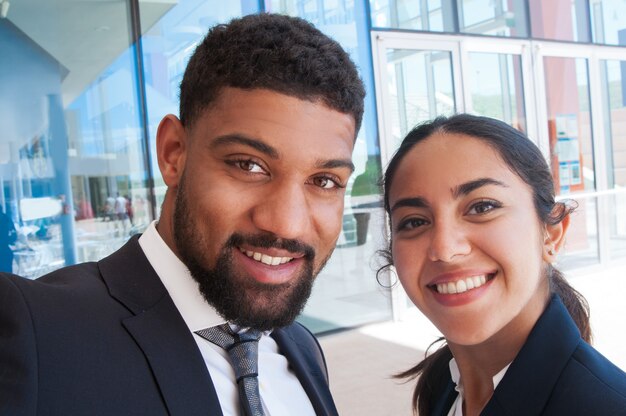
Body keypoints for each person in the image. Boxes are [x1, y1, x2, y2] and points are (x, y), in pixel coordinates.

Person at [0, 13, 364, 416]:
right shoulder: (34, 332)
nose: (286, 223)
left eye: (325, 180)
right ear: (174, 153)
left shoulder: (303, 349)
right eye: (248, 165)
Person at [379, 114, 626, 415]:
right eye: (414, 221)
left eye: (482, 207)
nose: (444, 249)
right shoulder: (442, 384)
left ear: (551, 234)